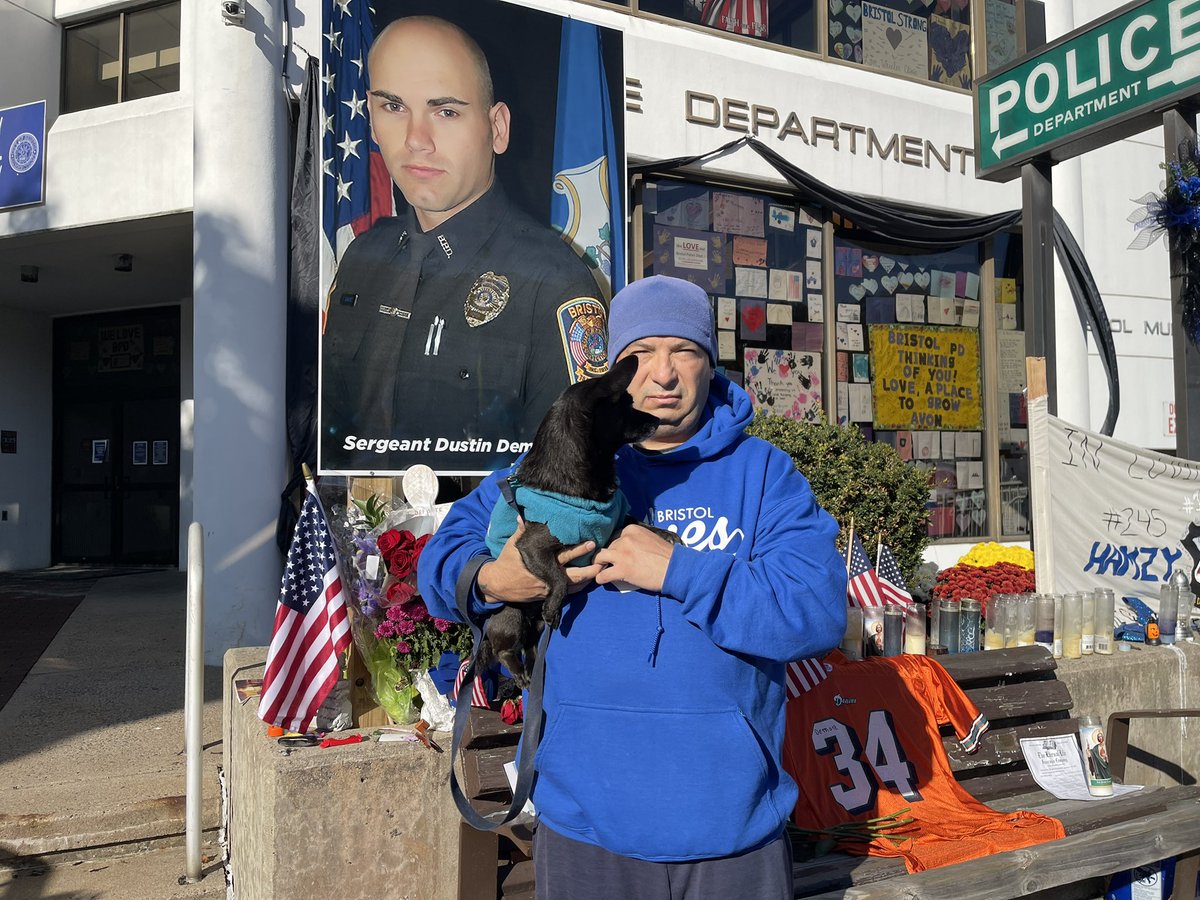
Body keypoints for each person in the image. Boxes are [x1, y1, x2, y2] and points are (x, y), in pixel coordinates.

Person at [418, 275, 847, 898]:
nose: (663, 375)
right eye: (640, 356)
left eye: (685, 352)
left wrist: (679, 570)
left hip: (730, 833)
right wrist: (495, 579)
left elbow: (814, 611)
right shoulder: (556, 466)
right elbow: (437, 565)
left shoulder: (764, 476)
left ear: (709, 365)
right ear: (613, 373)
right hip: (585, 830)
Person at [320, 15, 607, 473]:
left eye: (446, 111)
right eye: (394, 107)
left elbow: (571, 478)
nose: (416, 140)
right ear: (370, 117)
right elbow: (329, 431)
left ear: (497, 128)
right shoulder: (363, 259)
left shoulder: (552, 283)